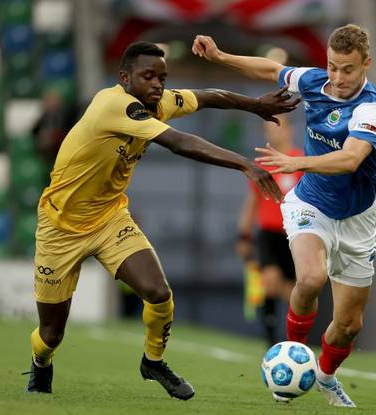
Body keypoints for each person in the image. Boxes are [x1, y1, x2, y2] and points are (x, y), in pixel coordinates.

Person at [24, 41, 300, 400]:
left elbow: (208, 95)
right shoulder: (115, 105)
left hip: (109, 219)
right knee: (51, 334)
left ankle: (153, 361)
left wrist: (255, 105)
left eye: (162, 77)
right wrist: (244, 163)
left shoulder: (160, 101)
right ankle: (41, 362)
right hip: (60, 227)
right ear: (125, 78)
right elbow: (180, 143)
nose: (157, 84)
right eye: (148, 76)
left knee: (158, 293)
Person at [193, 23, 376, 408]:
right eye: (332, 66)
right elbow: (270, 70)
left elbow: (350, 159)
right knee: (312, 277)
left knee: (348, 326)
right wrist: (220, 57)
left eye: (347, 69)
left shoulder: (372, 107)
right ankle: (290, 356)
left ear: (366, 63)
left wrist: (295, 161)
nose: (337, 77)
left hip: (358, 218)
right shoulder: (315, 82)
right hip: (309, 204)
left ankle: (327, 377)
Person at [236, 115, 303, 346]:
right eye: (268, 129)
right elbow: (252, 201)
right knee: (270, 280)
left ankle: (296, 337)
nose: (272, 133)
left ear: (290, 130)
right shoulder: (262, 166)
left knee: (293, 291)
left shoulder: (301, 161)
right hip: (268, 232)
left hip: (295, 234)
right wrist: (243, 234)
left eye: (277, 127)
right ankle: (270, 338)